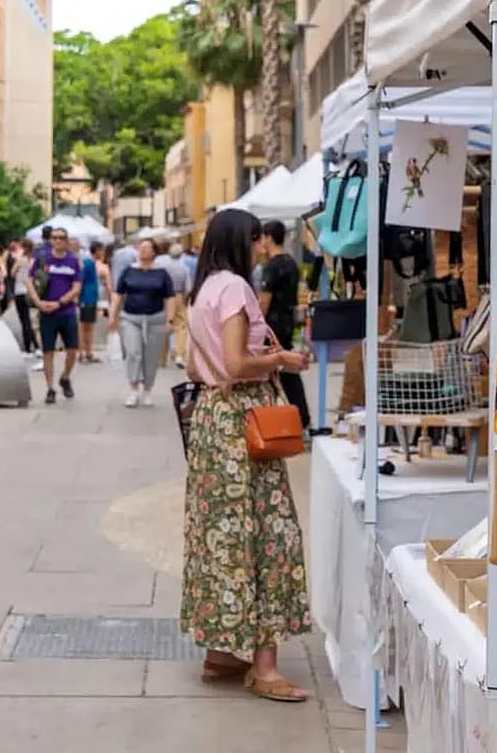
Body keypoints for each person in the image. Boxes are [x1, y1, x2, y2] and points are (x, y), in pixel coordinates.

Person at [178, 208, 312, 702]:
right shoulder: (235, 288)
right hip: (243, 420)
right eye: (257, 241)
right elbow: (236, 364)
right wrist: (281, 359)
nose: (262, 249)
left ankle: (221, 652)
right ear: (244, 240)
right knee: (266, 535)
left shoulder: (203, 291)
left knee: (221, 536)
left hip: (214, 421)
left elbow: (198, 366)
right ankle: (265, 666)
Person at [109, 239, 176, 407]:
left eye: (147, 248)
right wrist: (113, 315)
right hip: (131, 317)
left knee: (151, 356)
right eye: (141, 248)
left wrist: (170, 319)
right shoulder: (128, 271)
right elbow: (118, 294)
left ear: (154, 252)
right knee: (133, 352)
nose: (143, 251)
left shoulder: (162, 273)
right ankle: (133, 389)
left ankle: (147, 389)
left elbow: (170, 297)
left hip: (155, 319)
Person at [258, 221, 310, 430]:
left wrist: (255, 325)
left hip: (272, 324)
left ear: (268, 237)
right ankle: (301, 417)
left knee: (273, 370)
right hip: (287, 322)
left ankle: (280, 420)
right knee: (288, 370)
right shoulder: (291, 263)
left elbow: (264, 301)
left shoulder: (272, 266)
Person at [27, 227, 81, 404]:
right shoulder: (42, 259)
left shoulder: (73, 261)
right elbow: (29, 280)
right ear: (50, 240)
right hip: (46, 312)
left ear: (66, 240)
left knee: (72, 350)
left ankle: (65, 377)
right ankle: (50, 388)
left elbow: (77, 287)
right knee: (48, 352)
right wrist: (38, 302)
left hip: (66, 311)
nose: (58, 240)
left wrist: (60, 302)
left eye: (61, 238)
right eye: (54, 237)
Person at [155, 242, 191, 367]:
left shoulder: (163, 267)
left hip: (164, 296)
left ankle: (161, 358)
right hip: (179, 296)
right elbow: (188, 288)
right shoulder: (184, 268)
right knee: (181, 326)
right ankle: (180, 355)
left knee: (165, 325)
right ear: (181, 254)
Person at [10, 240, 37, 355]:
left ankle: (27, 349)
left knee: (24, 320)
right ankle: (36, 345)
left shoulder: (21, 260)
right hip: (31, 292)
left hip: (20, 291)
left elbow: (12, 273)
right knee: (29, 320)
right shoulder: (34, 260)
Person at [78, 242, 100, 363]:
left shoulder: (89, 263)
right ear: (96, 251)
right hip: (87, 298)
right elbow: (81, 280)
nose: (102, 253)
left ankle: (87, 352)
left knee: (88, 326)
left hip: (89, 298)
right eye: (101, 250)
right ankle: (84, 352)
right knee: (85, 326)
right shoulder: (88, 263)